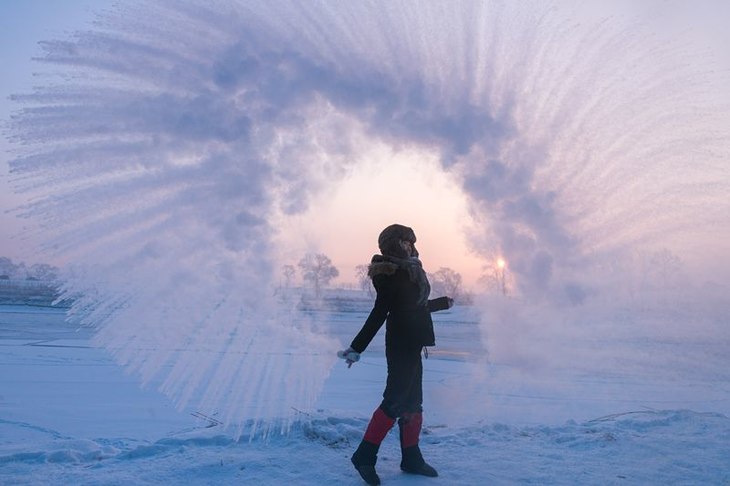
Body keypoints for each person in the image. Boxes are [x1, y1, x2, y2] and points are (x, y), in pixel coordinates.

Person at [338, 224, 453, 486]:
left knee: (414, 402)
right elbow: (381, 312)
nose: (410, 246)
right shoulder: (389, 274)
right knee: (394, 401)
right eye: (405, 242)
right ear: (393, 244)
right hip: (401, 344)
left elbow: (413, 307)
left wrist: (441, 304)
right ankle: (364, 456)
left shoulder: (411, 270)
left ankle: (411, 458)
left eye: (411, 242)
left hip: (413, 343)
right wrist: (357, 348)